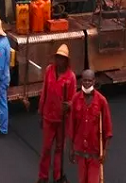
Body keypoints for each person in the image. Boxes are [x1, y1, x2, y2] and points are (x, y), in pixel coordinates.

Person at [37, 44, 77, 183]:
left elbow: (74, 99)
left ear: (66, 61)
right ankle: (43, 177)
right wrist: (41, 112)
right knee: (46, 148)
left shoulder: (70, 77)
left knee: (59, 149)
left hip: (61, 119)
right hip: (48, 116)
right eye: (58, 58)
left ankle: (57, 176)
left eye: (62, 58)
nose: (59, 61)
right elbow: (44, 92)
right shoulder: (49, 70)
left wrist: (70, 105)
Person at [68, 69, 112, 183]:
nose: (87, 83)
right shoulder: (76, 99)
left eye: (89, 81)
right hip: (80, 152)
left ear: (94, 81)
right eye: (84, 80)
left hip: (95, 153)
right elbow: (71, 126)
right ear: (81, 81)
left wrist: (105, 151)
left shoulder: (102, 101)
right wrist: (71, 149)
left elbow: (108, 129)